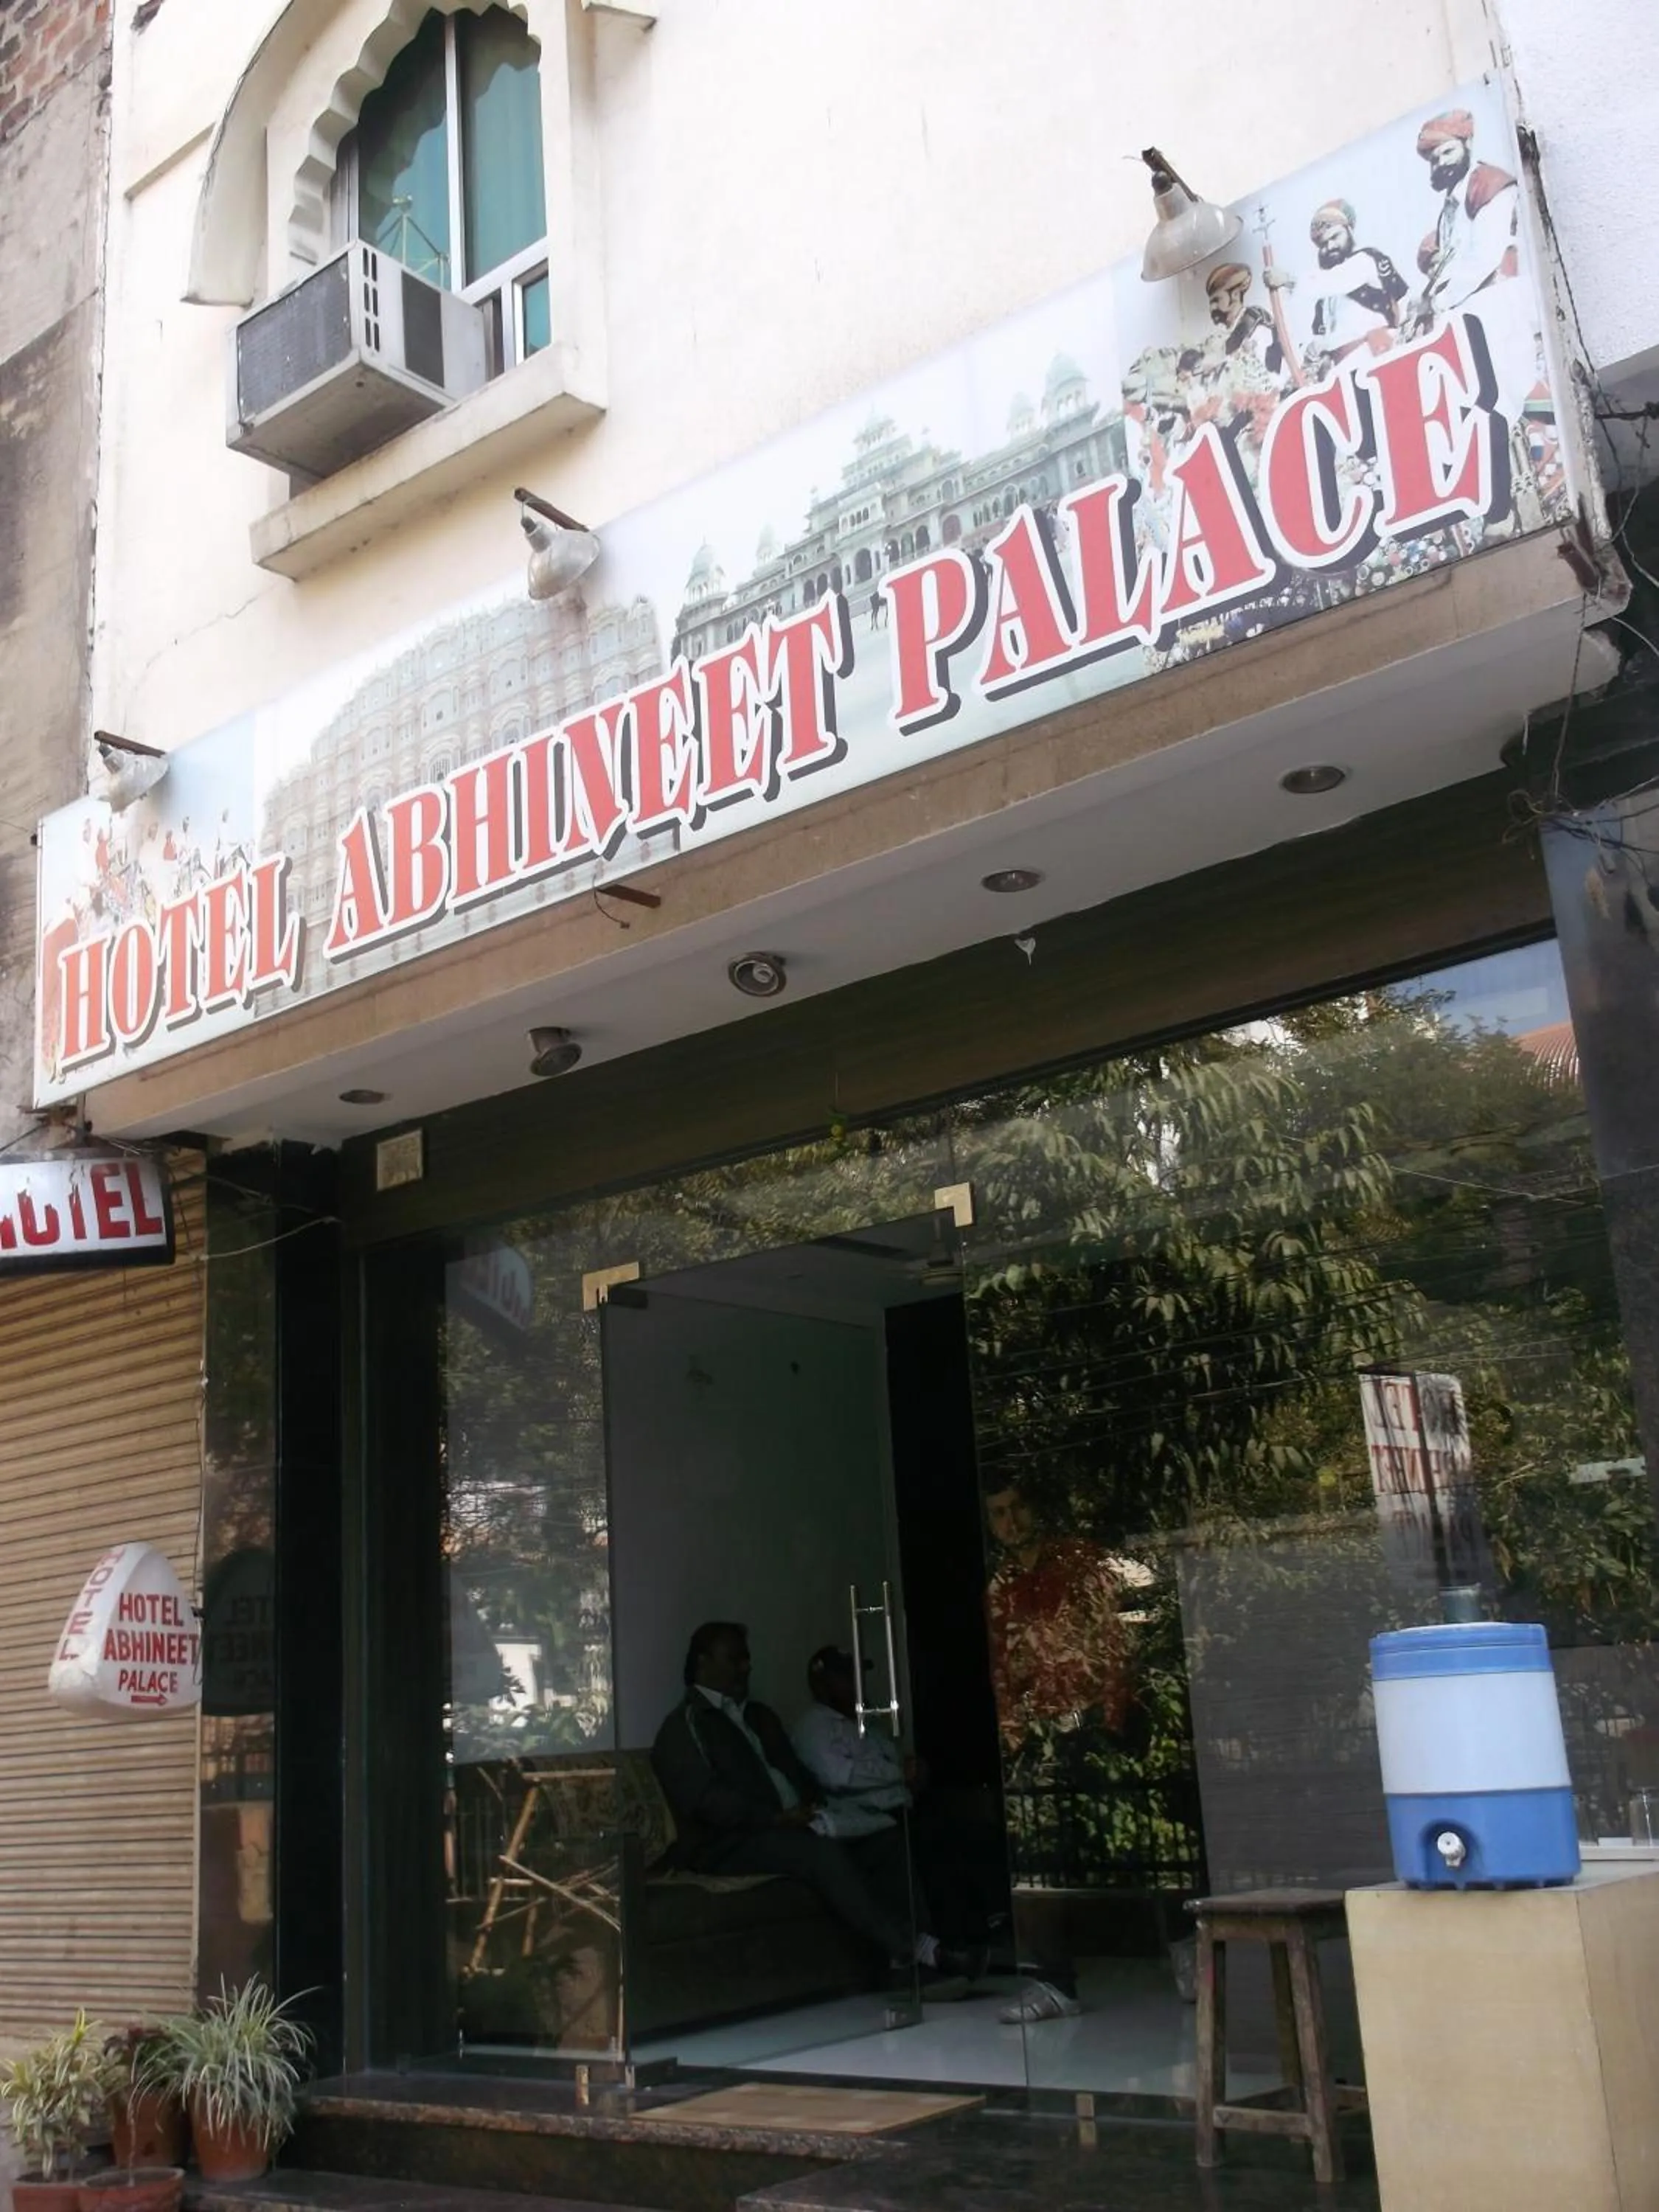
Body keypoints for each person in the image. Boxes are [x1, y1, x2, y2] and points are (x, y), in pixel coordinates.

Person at [651, 1621, 969, 1982]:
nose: (746, 1667)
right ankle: (912, 1952)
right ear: (703, 1662)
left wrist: (817, 1808)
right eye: (734, 1658)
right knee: (818, 1852)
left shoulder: (759, 1716)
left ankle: (922, 1954)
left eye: (747, 1658)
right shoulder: (684, 1725)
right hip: (730, 1843)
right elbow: (705, 1800)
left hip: (792, 1824)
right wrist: (774, 1819)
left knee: (886, 1840)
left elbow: (797, 1773)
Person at [983, 1482, 1137, 2024]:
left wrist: (1114, 1719)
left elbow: (1114, 1640)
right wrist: (1013, 1733)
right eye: (999, 1514)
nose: (1011, 1521)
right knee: (1039, 1860)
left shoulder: (1079, 1563)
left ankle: (1189, 1951)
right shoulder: (1000, 1586)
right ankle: (1054, 1983)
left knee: (1133, 1847)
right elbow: (1001, 1668)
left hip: (1095, 1726)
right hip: (1041, 1738)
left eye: (1018, 1507)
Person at [793, 1645, 1008, 1958]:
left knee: (977, 1833)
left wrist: (913, 1774)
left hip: (908, 1808)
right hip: (872, 1821)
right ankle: (945, 1949)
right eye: (847, 1677)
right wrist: (900, 1774)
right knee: (932, 1846)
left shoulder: (867, 1723)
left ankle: (992, 1929)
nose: (857, 1684)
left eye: (859, 1676)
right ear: (822, 1684)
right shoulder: (815, 1726)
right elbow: (839, 1775)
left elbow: (900, 1766)